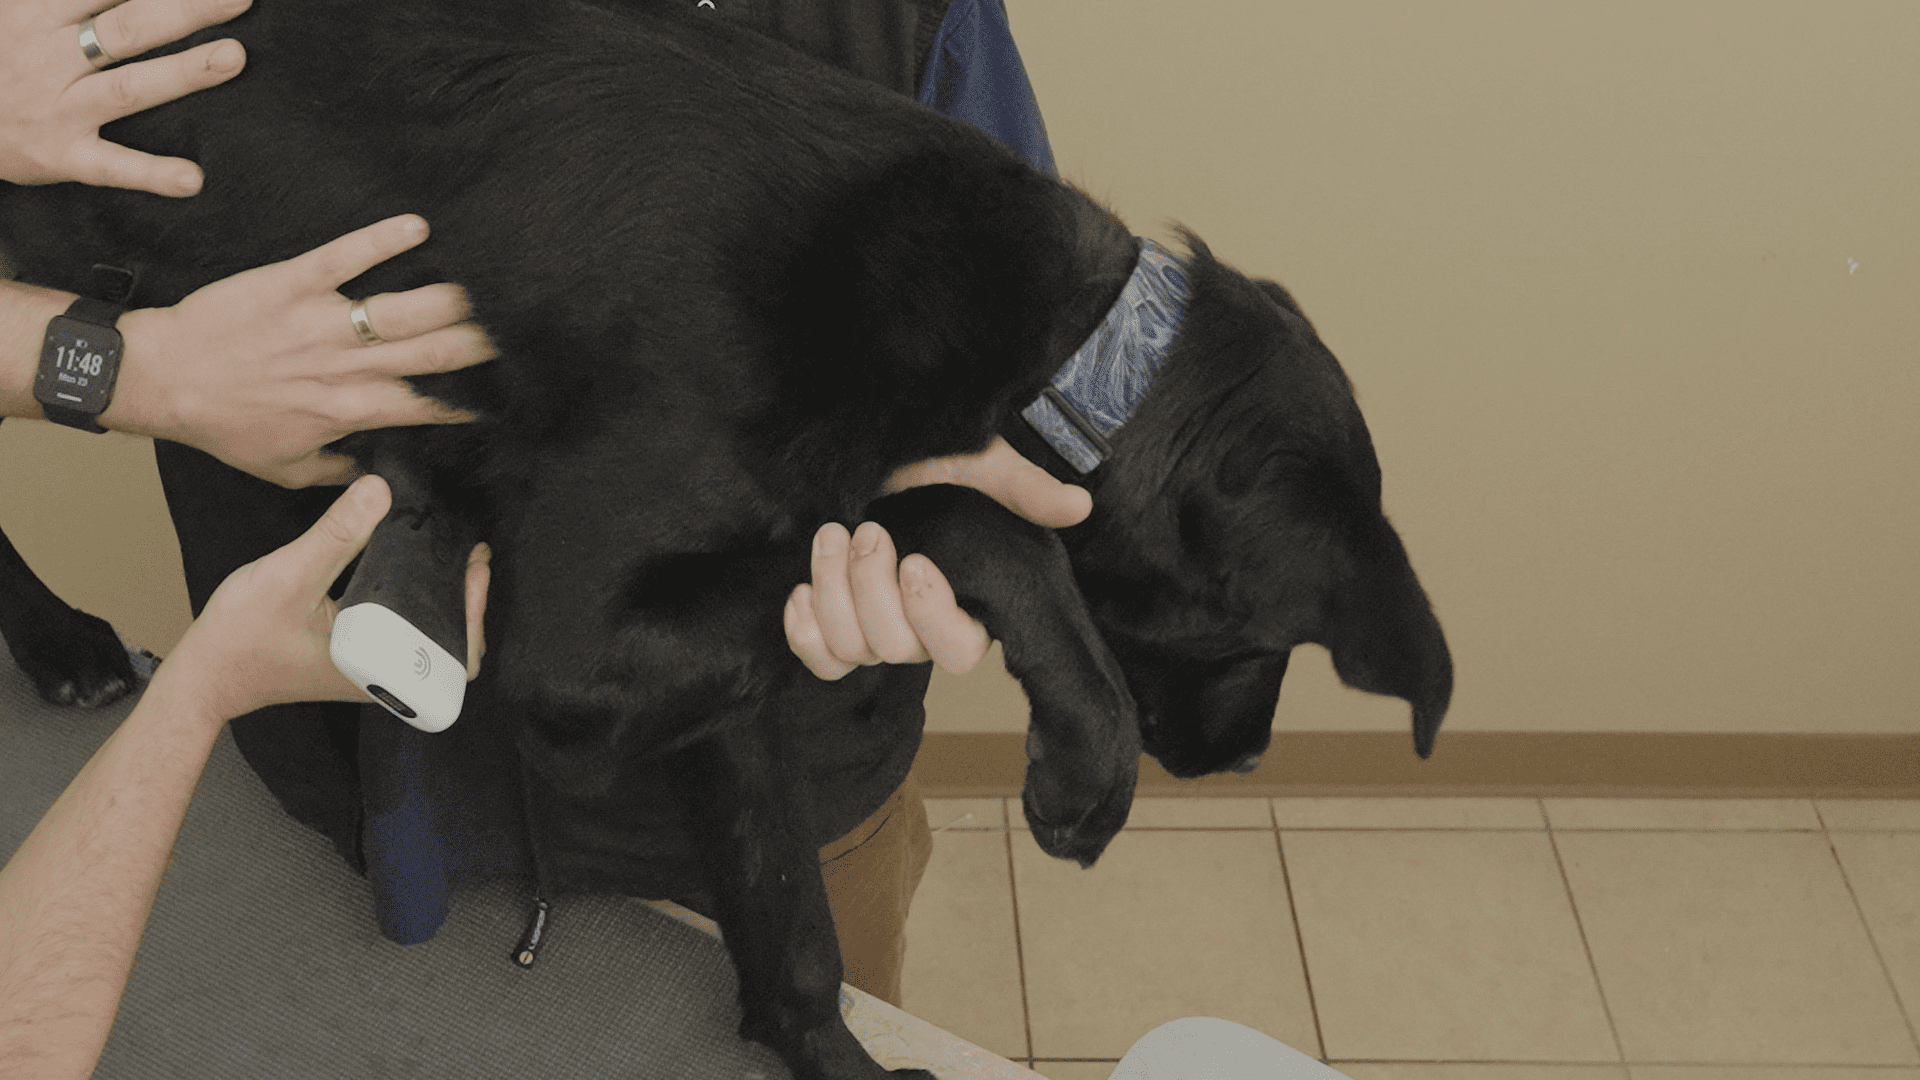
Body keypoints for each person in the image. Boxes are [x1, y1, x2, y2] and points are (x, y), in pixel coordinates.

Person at [1, 0, 1088, 1070]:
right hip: (355, 792)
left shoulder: (915, 21)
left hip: (807, 789)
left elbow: (1027, 400)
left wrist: (937, 532)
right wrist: (136, 371)